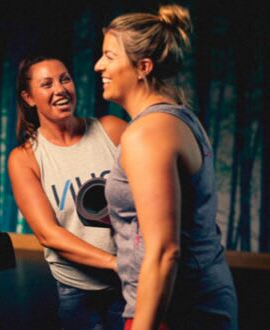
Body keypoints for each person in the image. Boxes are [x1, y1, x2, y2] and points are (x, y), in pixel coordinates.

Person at [94, 4, 238, 330]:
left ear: (143, 66)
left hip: (177, 309)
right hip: (191, 300)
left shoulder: (147, 133)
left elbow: (163, 252)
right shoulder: (177, 118)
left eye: (110, 56)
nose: (98, 65)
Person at [7, 54, 127, 330]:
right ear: (29, 98)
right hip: (77, 291)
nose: (60, 89)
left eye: (65, 79)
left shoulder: (111, 130)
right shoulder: (25, 158)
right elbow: (48, 234)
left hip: (131, 284)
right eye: (46, 84)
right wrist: (115, 263)